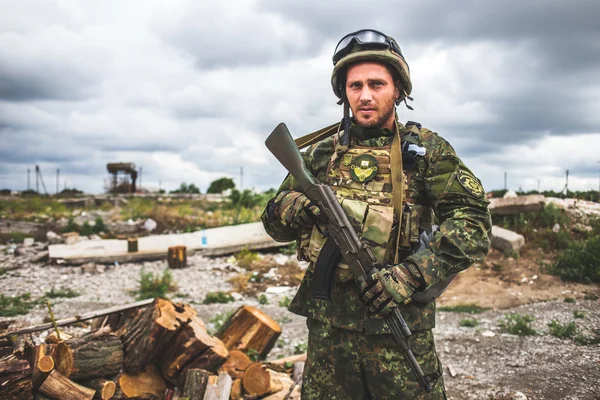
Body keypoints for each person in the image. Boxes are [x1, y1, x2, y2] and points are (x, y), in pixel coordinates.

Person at [261, 29, 492, 399]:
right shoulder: (322, 154)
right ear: (343, 92)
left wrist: (411, 275)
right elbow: (273, 222)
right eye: (355, 86)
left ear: (398, 89)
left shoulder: (427, 151)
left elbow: (474, 222)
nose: (365, 96)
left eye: (376, 84)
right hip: (330, 336)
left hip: (398, 328)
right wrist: (296, 207)